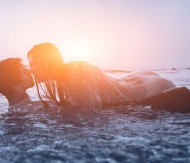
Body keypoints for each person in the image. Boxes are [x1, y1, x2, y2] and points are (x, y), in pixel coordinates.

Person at [27, 42, 190, 113]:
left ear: (47, 61)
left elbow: (93, 110)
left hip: (155, 87)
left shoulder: (77, 70)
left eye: (34, 63)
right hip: (136, 81)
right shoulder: (60, 82)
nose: (31, 69)